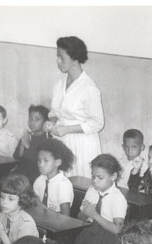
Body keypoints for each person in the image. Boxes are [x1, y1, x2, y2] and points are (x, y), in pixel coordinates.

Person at [46, 36, 104, 178]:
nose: (57, 61)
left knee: (78, 184)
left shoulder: (89, 88)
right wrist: (52, 121)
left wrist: (67, 129)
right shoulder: (60, 83)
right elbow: (55, 111)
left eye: (62, 57)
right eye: (57, 57)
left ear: (75, 59)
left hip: (82, 145)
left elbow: (97, 123)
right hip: (62, 142)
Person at [69, 154, 127, 244]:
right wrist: (86, 214)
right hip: (89, 233)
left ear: (113, 176)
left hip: (108, 240)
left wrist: (94, 214)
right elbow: (80, 215)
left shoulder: (118, 198)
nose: (95, 180)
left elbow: (117, 229)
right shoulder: (92, 190)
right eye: (93, 176)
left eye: (99, 177)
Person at [33, 137, 75, 215]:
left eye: (46, 161)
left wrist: (43, 209)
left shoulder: (63, 184)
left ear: (57, 162)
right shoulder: (39, 180)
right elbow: (35, 206)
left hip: (57, 224)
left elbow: (65, 216)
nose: (40, 165)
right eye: (39, 160)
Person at [12, 105, 51, 184]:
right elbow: (16, 156)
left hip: (36, 176)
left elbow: (39, 162)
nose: (32, 122)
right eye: (30, 119)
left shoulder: (46, 139)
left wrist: (27, 145)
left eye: (37, 119)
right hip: (22, 173)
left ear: (45, 122)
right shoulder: (27, 135)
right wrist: (22, 145)